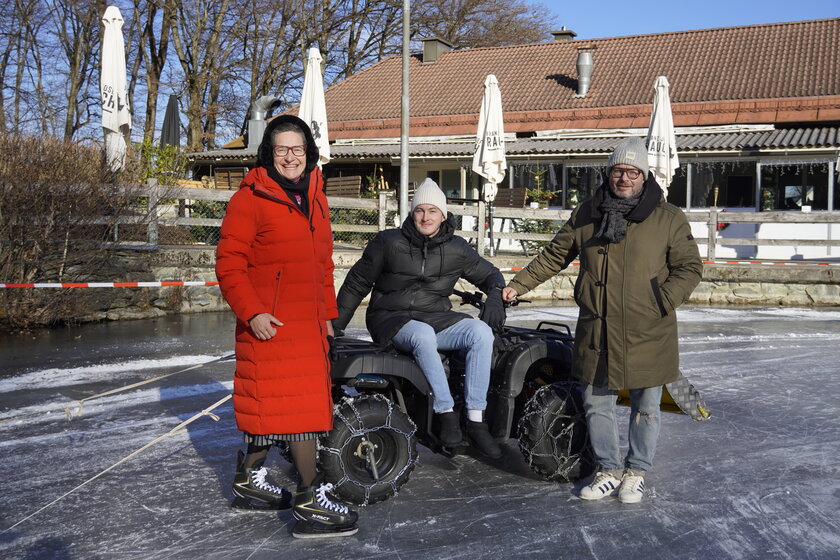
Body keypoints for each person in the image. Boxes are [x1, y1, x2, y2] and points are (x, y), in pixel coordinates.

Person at [502, 137, 702, 503]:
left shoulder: (667, 217)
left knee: (645, 406)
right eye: (617, 171)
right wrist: (518, 284)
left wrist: (662, 299)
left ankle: (636, 471)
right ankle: (609, 469)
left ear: (644, 176)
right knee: (597, 403)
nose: (623, 178)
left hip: (649, 329)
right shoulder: (587, 214)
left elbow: (690, 267)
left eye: (631, 172)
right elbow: (553, 256)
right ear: (608, 173)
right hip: (597, 328)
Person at [215, 114, 359, 538]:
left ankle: (249, 481)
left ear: (309, 152)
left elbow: (322, 266)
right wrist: (253, 313)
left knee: (276, 406)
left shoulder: (316, 195)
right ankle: (311, 499)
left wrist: (329, 318)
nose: (291, 157)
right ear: (268, 153)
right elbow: (229, 264)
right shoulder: (250, 198)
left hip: (309, 324)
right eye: (282, 149)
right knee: (297, 412)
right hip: (270, 325)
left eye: (297, 149)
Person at [333, 179, 507, 458]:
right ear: (411, 213)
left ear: (443, 215)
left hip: (436, 317)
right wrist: (334, 326)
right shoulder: (388, 242)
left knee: (481, 333)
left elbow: (489, 274)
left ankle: (476, 420)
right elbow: (357, 283)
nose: (425, 217)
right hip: (391, 318)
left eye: (432, 211)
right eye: (419, 210)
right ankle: (446, 415)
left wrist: (496, 295)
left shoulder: (457, 248)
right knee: (422, 335)